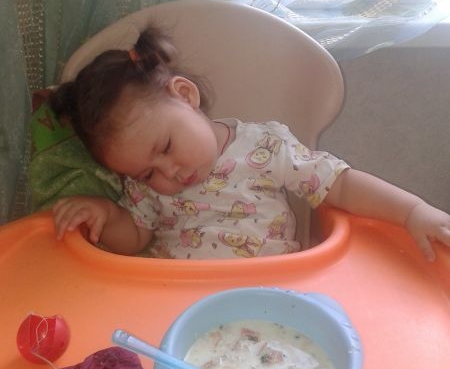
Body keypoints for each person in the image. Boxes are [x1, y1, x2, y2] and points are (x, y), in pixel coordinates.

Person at [51, 26, 450, 261]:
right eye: (146, 173)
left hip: (270, 293)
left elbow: (340, 185)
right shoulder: (147, 187)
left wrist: (411, 211)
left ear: (185, 96)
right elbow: (136, 236)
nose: (168, 173)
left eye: (167, 146)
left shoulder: (266, 147)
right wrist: (106, 216)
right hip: (178, 302)